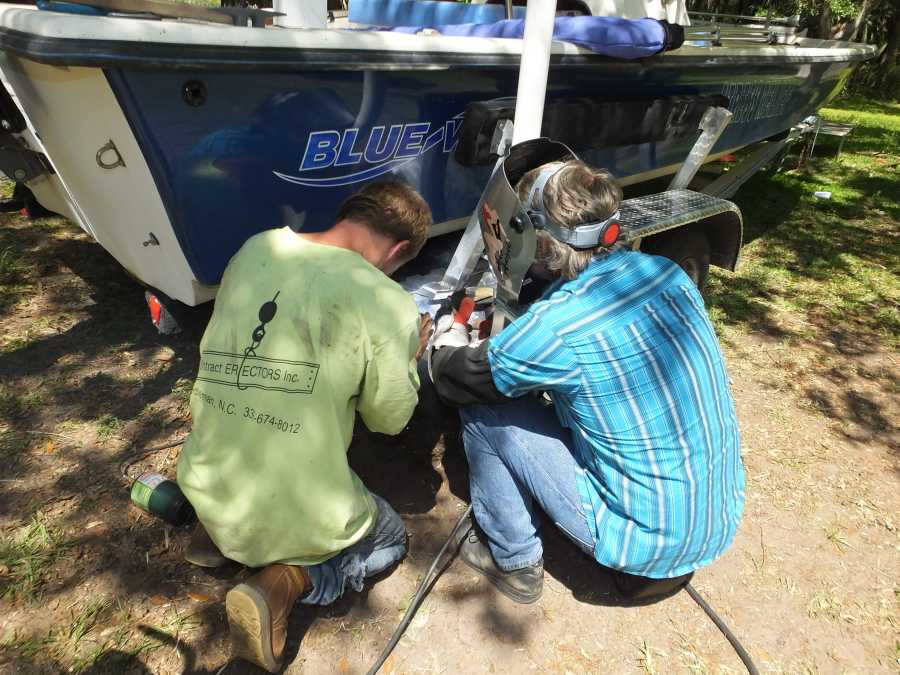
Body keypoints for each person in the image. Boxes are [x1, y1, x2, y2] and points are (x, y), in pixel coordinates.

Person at [430, 159, 745, 604]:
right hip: (711, 521)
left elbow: (458, 382)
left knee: (484, 407)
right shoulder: (667, 272)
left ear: (538, 241)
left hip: (640, 546)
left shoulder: (559, 327)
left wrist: (449, 335)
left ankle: (514, 561)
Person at [176, 181, 433, 672]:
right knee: (391, 538)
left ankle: (214, 536)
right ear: (399, 249)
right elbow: (388, 420)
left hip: (205, 475)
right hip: (290, 510)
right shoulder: (386, 300)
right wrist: (408, 357)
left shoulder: (259, 247)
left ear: (348, 215)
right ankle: (283, 582)